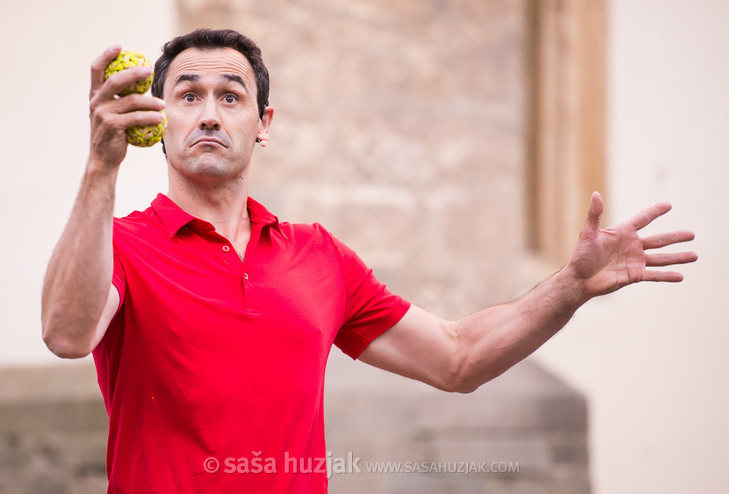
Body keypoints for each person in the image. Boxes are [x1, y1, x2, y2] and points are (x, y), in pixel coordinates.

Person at [40, 28, 697, 493]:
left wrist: (571, 286)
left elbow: (457, 358)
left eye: (230, 96)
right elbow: (67, 334)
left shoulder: (317, 257)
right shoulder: (121, 244)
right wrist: (101, 166)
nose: (209, 113)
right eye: (187, 95)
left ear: (263, 122)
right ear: (160, 117)